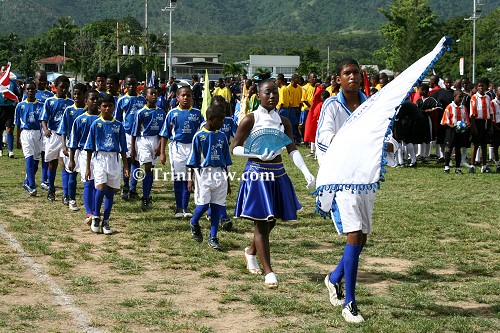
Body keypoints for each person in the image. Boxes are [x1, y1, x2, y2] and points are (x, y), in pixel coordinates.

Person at [231, 79, 315, 288]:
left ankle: (251, 251)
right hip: (257, 175)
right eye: (267, 93)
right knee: (261, 222)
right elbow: (235, 148)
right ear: (258, 96)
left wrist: (306, 172)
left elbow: (292, 149)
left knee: (273, 219)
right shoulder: (250, 119)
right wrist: (257, 153)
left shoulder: (283, 121)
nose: (272, 96)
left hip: (278, 174)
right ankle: (269, 271)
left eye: (275, 93)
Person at [315, 58, 370, 323]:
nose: (353, 77)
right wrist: (342, 140)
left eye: (356, 73)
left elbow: (382, 132)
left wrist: (390, 144)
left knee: (362, 238)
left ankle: (334, 278)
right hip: (342, 179)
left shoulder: (370, 105)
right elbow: (322, 136)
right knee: (355, 233)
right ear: (338, 78)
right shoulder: (332, 105)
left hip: (364, 178)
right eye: (347, 73)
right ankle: (350, 303)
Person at [186, 104, 232, 250]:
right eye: (220, 120)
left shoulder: (222, 136)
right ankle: (194, 222)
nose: (222, 123)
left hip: (220, 173)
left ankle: (213, 237)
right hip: (204, 174)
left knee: (217, 206)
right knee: (204, 204)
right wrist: (190, 179)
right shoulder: (199, 136)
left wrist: (228, 181)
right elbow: (193, 161)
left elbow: (226, 160)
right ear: (211, 119)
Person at [84, 94, 129, 234]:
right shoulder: (95, 124)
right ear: (100, 108)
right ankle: (96, 216)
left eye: (110, 106)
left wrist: (126, 166)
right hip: (100, 158)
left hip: (114, 159)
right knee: (100, 187)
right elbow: (90, 147)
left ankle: (106, 221)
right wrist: (87, 168)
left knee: (110, 191)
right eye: (104, 106)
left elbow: (123, 148)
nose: (107, 108)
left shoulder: (118, 125)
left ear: (114, 107)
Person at [159, 86, 203, 218]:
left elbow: (203, 132)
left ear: (192, 97)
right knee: (179, 177)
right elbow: (164, 134)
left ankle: (185, 206)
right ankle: (179, 207)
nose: (185, 98)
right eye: (183, 95)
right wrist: (162, 152)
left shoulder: (197, 113)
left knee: (190, 177)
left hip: (192, 147)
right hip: (177, 148)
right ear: (177, 97)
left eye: (188, 95)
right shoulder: (172, 113)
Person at [68, 90, 101, 225]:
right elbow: (74, 141)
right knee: (87, 182)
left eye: (97, 99)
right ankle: (89, 212)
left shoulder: (103, 118)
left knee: (97, 183)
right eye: (92, 99)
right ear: (86, 101)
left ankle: (95, 209)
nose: (95, 102)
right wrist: (71, 159)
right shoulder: (80, 119)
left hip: (100, 155)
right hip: (83, 154)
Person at [130, 87, 166, 210]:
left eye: (156, 93)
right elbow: (134, 133)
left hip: (156, 140)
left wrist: (160, 146)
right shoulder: (140, 113)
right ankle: (145, 198)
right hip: (144, 140)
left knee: (150, 170)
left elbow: (164, 132)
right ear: (146, 97)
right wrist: (133, 149)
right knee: (147, 167)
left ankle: (147, 194)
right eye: (152, 94)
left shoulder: (162, 112)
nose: (154, 96)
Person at [39, 75, 74, 202]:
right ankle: (51, 189)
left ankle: (66, 194)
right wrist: (46, 129)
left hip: (66, 137)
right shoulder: (50, 101)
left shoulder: (71, 103)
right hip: (53, 135)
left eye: (66, 88)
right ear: (55, 87)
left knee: (64, 164)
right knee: (52, 164)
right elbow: (43, 118)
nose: (64, 90)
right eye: (62, 87)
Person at [56, 83, 88, 210]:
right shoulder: (68, 110)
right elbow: (63, 130)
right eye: (74, 93)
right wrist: (64, 146)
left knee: (87, 176)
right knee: (72, 172)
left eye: (79, 94)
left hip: (86, 148)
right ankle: (71, 199)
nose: (76, 96)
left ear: (84, 95)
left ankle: (88, 200)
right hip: (72, 146)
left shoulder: (89, 111)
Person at [115, 74, 146, 200]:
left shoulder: (143, 100)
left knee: (136, 162)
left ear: (137, 85)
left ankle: (133, 188)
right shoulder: (121, 100)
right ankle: (126, 186)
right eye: (129, 84)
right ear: (125, 85)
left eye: (134, 84)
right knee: (126, 161)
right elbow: (117, 119)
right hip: (127, 134)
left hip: (139, 136)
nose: (132, 86)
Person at [15, 82, 44, 196]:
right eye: (28, 89)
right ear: (25, 91)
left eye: (32, 89)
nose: (30, 91)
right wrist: (18, 139)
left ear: (36, 90)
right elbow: (17, 123)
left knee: (36, 160)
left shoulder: (41, 105)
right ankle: (32, 186)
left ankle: (26, 182)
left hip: (38, 134)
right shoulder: (20, 106)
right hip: (26, 133)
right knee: (29, 159)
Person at [33, 70, 54, 190]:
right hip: (33, 130)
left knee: (46, 154)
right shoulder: (30, 92)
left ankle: (44, 179)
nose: (42, 82)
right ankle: (29, 177)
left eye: (44, 80)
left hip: (45, 129)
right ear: (35, 80)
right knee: (34, 156)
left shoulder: (50, 95)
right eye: (39, 79)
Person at [441, 90, 469, 174]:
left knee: (458, 149)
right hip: (451, 130)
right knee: (449, 148)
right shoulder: (449, 107)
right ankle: (446, 167)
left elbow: (466, 120)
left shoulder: (463, 108)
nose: (461, 98)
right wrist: (452, 126)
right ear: (455, 96)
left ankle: (458, 168)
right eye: (459, 97)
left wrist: (465, 126)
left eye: (462, 97)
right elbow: (445, 120)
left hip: (460, 132)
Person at [469, 78, 493, 173]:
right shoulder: (474, 98)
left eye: (482, 86)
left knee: (484, 144)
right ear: (476, 87)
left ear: (486, 87)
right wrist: (473, 125)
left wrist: (491, 125)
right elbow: (472, 113)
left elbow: (490, 112)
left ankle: (484, 166)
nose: (481, 88)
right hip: (477, 122)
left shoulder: (488, 97)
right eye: (479, 86)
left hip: (485, 122)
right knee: (475, 144)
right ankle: (472, 165)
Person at [415, 83, 441, 164]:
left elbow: (438, 107)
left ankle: (426, 155)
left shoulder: (431, 100)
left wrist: (431, 110)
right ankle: (420, 154)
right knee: (420, 137)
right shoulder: (419, 100)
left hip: (427, 120)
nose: (419, 92)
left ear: (425, 91)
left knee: (427, 138)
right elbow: (416, 109)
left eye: (420, 90)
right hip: (420, 120)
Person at [0, 64, 19, 158]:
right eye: (3, 70)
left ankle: (10, 151)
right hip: (0, 108)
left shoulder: (12, 83)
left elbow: (17, 94)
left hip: (10, 108)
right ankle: (0, 150)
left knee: (9, 129)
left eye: (6, 71)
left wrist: (13, 101)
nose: (4, 72)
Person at [300, 72, 318, 156]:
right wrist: (311, 107)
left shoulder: (317, 87)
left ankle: (312, 142)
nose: (314, 79)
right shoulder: (305, 87)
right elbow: (303, 99)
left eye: (315, 77)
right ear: (309, 79)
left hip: (315, 110)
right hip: (307, 109)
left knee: (313, 126)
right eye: (313, 77)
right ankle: (306, 141)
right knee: (304, 125)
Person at [287, 74, 303, 143]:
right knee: (292, 124)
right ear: (293, 79)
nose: (299, 80)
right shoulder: (288, 88)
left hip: (298, 108)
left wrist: (299, 108)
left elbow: (301, 98)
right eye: (297, 79)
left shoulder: (299, 88)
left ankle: (298, 138)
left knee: (297, 124)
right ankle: (293, 139)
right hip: (291, 108)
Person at [491, 86, 500, 172]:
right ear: (496, 92)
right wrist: (494, 126)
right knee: (496, 145)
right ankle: (497, 163)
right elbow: (492, 115)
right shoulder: (493, 102)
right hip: (496, 125)